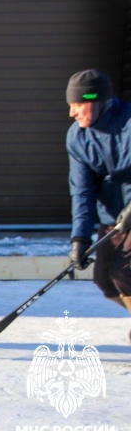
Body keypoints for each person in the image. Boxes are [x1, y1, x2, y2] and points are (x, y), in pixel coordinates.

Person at [66, 68, 131, 337]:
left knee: (125, 272)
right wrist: (79, 239)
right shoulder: (77, 137)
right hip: (113, 219)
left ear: (97, 101)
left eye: (78, 104)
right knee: (105, 279)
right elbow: (82, 191)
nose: (72, 112)